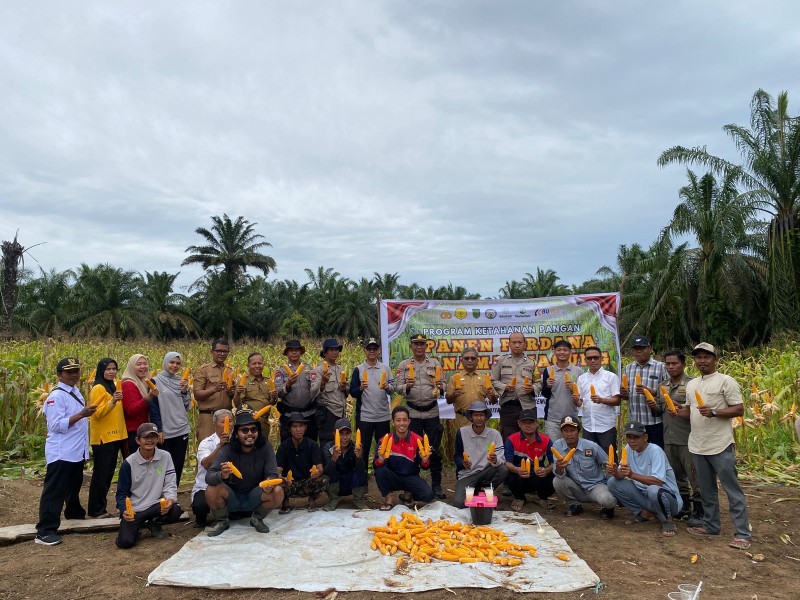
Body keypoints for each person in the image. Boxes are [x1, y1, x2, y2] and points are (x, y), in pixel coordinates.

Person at [682, 343, 751, 550]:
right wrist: (678, 411)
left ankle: (742, 534)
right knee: (707, 490)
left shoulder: (725, 381)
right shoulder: (692, 384)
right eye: (698, 357)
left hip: (720, 444)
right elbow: (690, 411)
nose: (702, 361)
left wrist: (714, 412)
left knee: (732, 490)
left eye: (706, 357)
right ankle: (711, 526)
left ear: (715, 359)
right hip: (698, 445)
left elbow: (739, 409)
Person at [35, 357, 97, 546]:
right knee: (54, 491)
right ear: (59, 375)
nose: (74, 375)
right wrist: (81, 414)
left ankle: (74, 514)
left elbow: (79, 427)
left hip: (75, 451)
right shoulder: (56, 396)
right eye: (69, 372)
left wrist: (84, 453)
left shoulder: (75, 391)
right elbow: (54, 425)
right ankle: (45, 531)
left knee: (73, 486)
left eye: (76, 371)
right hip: (62, 452)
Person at [205, 409, 284, 536]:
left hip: (254, 495)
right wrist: (222, 475)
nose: (250, 434)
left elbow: (272, 474)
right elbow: (209, 476)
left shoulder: (266, 447)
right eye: (245, 430)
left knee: (278, 491)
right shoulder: (228, 449)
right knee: (211, 489)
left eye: (253, 430)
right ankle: (222, 521)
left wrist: (269, 481)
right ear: (236, 434)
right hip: (232, 497)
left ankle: (256, 518)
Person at [606, 421, 682, 537]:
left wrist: (632, 475)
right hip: (646, 495)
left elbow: (658, 481)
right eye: (629, 437)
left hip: (669, 499)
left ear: (645, 437)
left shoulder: (655, 451)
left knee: (653, 489)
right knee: (612, 482)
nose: (632, 440)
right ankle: (645, 513)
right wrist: (615, 471)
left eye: (636, 437)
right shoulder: (628, 448)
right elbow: (621, 474)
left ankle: (668, 520)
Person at [115, 423, 183, 548]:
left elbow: (170, 484)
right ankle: (136, 528)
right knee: (125, 542)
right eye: (146, 437)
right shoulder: (129, 463)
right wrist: (124, 510)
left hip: (157, 504)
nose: (150, 440)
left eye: (153, 437)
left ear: (157, 439)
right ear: (137, 440)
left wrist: (170, 499)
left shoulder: (165, 457)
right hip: (136, 508)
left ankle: (154, 523)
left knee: (175, 510)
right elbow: (121, 493)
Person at [395, 333, 446, 499]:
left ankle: (436, 484)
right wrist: (406, 387)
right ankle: (413, 485)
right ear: (411, 346)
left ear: (426, 346)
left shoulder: (434, 363)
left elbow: (443, 384)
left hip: (432, 412)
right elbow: (397, 386)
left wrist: (441, 385)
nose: (419, 347)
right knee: (414, 451)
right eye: (416, 344)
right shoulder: (404, 365)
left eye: (422, 344)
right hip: (414, 412)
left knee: (434, 450)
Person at [656, 349, 700, 522]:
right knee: (676, 474)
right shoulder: (663, 385)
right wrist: (653, 405)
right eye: (668, 364)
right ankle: (684, 507)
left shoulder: (692, 384)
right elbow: (659, 410)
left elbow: (696, 410)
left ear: (683, 364)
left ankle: (699, 510)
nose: (671, 367)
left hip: (687, 437)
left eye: (675, 363)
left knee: (693, 474)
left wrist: (679, 407)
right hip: (669, 437)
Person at [552, 416, 616, 519]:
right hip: (576, 487)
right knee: (557, 481)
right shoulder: (557, 446)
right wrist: (559, 467)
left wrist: (612, 480)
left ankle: (607, 508)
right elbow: (558, 473)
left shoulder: (591, 446)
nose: (569, 434)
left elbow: (608, 463)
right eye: (565, 431)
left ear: (578, 431)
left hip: (595, 486)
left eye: (572, 430)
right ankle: (574, 504)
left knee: (609, 501)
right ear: (561, 432)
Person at [87, 358, 127, 519]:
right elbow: (96, 414)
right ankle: (96, 510)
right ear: (101, 370)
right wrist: (113, 401)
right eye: (108, 369)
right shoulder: (98, 388)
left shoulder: (115, 385)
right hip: (103, 438)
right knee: (101, 475)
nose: (111, 372)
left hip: (115, 435)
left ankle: (100, 508)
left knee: (108, 474)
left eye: (114, 369)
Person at [374, 406, 434, 510]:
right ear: (393, 422)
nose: (402, 423)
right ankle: (388, 499)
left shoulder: (418, 440)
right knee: (379, 471)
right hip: (392, 476)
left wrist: (425, 460)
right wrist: (380, 459)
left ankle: (407, 495)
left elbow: (425, 467)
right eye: (398, 420)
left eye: (405, 420)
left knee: (428, 495)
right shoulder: (384, 440)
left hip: (410, 476)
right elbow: (376, 465)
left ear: (409, 421)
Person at [350, 337, 395, 470]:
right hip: (365, 416)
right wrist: (360, 389)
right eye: (369, 349)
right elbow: (352, 392)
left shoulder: (385, 369)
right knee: (363, 447)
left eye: (374, 349)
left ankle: (382, 473)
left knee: (383, 448)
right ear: (365, 351)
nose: (372, 351)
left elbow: (392, 389)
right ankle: (362, 475)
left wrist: (387, 387)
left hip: (383, 416)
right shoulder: (358, 369)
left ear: (379, 351)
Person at [453, 401, 508, 508]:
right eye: (476, 415)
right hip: (468, 473)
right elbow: (457, 455)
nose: (479, 418)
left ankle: (486, 491)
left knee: (503, 469)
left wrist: (495, 460)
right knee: (458, 503)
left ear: (486, 417)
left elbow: (501, 457)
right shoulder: (462, 432)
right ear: (471, 417)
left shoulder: (494, 434)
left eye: (481, 415)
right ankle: (475, 490)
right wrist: (463, 463)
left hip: (486, 471)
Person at [150, 352, 192, 486]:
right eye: (172, 362)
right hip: (165, 431)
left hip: (181, 428)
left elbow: (187, 406)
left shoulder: (181, 381)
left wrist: (185, 391)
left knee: (177, 464)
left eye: (178, 363)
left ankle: (173, 495)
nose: (175, 366)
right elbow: (153, 408)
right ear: (165, 362)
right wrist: (159, 429)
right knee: (162, 466)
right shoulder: (154, 381)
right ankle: (160, 495)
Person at [621, 335, 667, 448]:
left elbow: (667, 392)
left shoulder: (661, 367)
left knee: (657, 453)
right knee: (638, 455)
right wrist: (625, 394)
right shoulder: (628, 368)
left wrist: (649, 391)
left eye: (642, 348)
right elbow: (627, 396)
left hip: (655, 422)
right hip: (635, 422)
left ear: (650, 349)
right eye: (636, 349)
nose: (639, 351)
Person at [503, 409, 554, 512]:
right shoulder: (511, 439)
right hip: (519, 477)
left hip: (537, 476)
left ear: (536, 423)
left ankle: (542, 498)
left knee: (555, 474)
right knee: (508, 474)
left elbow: (553, 462)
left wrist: (546, 470)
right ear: (519, 424)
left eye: (531, 422)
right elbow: (507, 463)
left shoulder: (546, 440)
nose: (528, 425)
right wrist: (517, 470)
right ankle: (519, 498)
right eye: (524, 423)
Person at [490, 332, 538, 439]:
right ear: (509, 344)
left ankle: (530, 457)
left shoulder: (532, 363)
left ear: (524, 344)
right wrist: (504, 387)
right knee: (509, 438)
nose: (517, 345)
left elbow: (538, 382)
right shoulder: (501, 361)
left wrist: (532, 388)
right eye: (514, 342)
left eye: (520, 342)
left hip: (527, 406)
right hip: (508, 406)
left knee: (529, 437)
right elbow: (493, 380)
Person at [275, 413, 327, 512]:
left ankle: (311, 500)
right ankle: (285, 503)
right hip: (290, 483)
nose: (298, 429)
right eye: (295, 426)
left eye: (301, 426)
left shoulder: (312, 445)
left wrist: (317, 473)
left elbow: (320, 468)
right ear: (289, 429)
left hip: (307, 481)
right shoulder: (284, 447)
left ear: (305, 428)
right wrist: (281, 478)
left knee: (324, 479)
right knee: (276, 482)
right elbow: (277, 470)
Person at [574, 346, 621, 452]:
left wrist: (602, 400)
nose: (593, 360)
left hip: (606, 426)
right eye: (589, 358)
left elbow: (617, 401)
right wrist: (576, 400)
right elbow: (580, 403)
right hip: (588, 426)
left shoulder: (611, 377)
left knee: (609, 460)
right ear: (585, 360)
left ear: (601, 358)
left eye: (596, 357)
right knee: (589, 459)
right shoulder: (581, 379)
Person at [191, 408, 233, 526]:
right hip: (206, 485)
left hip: (230, 485)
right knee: (200, 506)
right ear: (214, 424)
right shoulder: (206, 443)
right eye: (223, 421)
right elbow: (206, 464)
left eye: (230, 421)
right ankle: (201, 518)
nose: (228, 424)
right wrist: (220, 446)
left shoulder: (238, 440)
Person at [541, 340, 583, 442]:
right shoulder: (548, 370)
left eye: (565, 350)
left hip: (572, 417)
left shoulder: (578, 371)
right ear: (554, 352)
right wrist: (548, 386)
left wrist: (573, 389)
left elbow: (582, 395)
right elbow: (545, 394)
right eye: (559, 350)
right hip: (552, 418)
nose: (562, 352)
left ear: (570, 352)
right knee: (553, 448)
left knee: (571, 447)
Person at [193, 339, 235, 441]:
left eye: (225, 351)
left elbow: (233, 397)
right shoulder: (203, 370)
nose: (222, 354)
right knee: (207, 448)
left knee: (226, 450)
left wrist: (231, 392)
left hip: (226, 417)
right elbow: (197, 394)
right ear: (212, 352)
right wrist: (214, 389)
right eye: (218, 351)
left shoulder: (230, 371)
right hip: (208, 417)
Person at [321, 418, 367, 510]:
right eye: (341, 434)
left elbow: (362, 470)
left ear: (351, 434)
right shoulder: (327, 448)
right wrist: (333, 459)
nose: (344, 437)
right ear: (334, 434)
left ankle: (358, 499)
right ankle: (333, 498)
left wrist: (359, 458)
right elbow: (327, 471)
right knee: (326, 476)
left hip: (351, 483)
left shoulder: (356, 447)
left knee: (362, 471)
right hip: (335, 483)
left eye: (347, 434)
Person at [445, 347, 497, 429]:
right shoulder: (454, 378)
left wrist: (493, 395)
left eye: (473, 358)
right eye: (466, 358)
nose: (470, 360)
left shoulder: (484, 378)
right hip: (462, 419)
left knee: (481, 441)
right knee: (462, 441)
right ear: (462, 361)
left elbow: (493, 401)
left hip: (479, 419)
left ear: (477, 361)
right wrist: (454, 395)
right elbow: (448, 401)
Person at [275, 339, 317, 441]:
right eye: (291, 350)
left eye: (297, 350)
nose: (294, 352)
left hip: (308, 415)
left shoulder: (309, 369)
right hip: (289, 416)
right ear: (286, 353)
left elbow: (316, 388)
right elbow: (278, 393)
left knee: (309, 445)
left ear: (300, 352)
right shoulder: (281, 371)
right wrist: (288, 384)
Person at [311, 339, 349, 447]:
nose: (335, 352)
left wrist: (344, 388)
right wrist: (322, 382)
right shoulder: (317, 371)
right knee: (327, 445)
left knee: (341, 444)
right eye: (331, 350)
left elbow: (346, 391)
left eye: (336, 350)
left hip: (341, 413)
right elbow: (313, 393)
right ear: (325, 353)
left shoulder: (340, 369)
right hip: (328, 413)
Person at [121, 354, 159, 456]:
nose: (143, 367)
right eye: (138, 364)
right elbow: (131, 410)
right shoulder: (128, 384)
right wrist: (149, 397)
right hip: (133, 433)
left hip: (144, 431)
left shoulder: (143, 383)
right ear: (131, 367)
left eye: (145, 364)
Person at [235, 352, 276, 437]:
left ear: (263, 365)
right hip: (249, 422)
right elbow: (238, 404)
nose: (257, 366)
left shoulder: (268, 381)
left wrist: (273, 397)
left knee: (262, 447)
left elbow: (272, 403)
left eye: (260, 363)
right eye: (254, 363)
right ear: (248, 366)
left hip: (264, 422)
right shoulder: (243, 381)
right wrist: (238, 393)